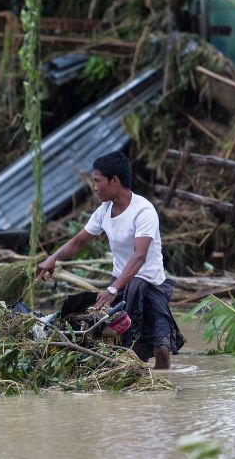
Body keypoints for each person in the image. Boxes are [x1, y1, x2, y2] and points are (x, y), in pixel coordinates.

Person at [36, 151, 184, 369]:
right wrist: (53, 258)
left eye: (98, 181)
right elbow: (78, 242)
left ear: (114, 180)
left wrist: (113, 289)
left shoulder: (143, 211)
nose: (95, 187)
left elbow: (139, 256)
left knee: (161, 346)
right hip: (122, 284)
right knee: (116, 339)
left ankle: (162, 385)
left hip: (150, 284)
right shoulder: (104, 211)